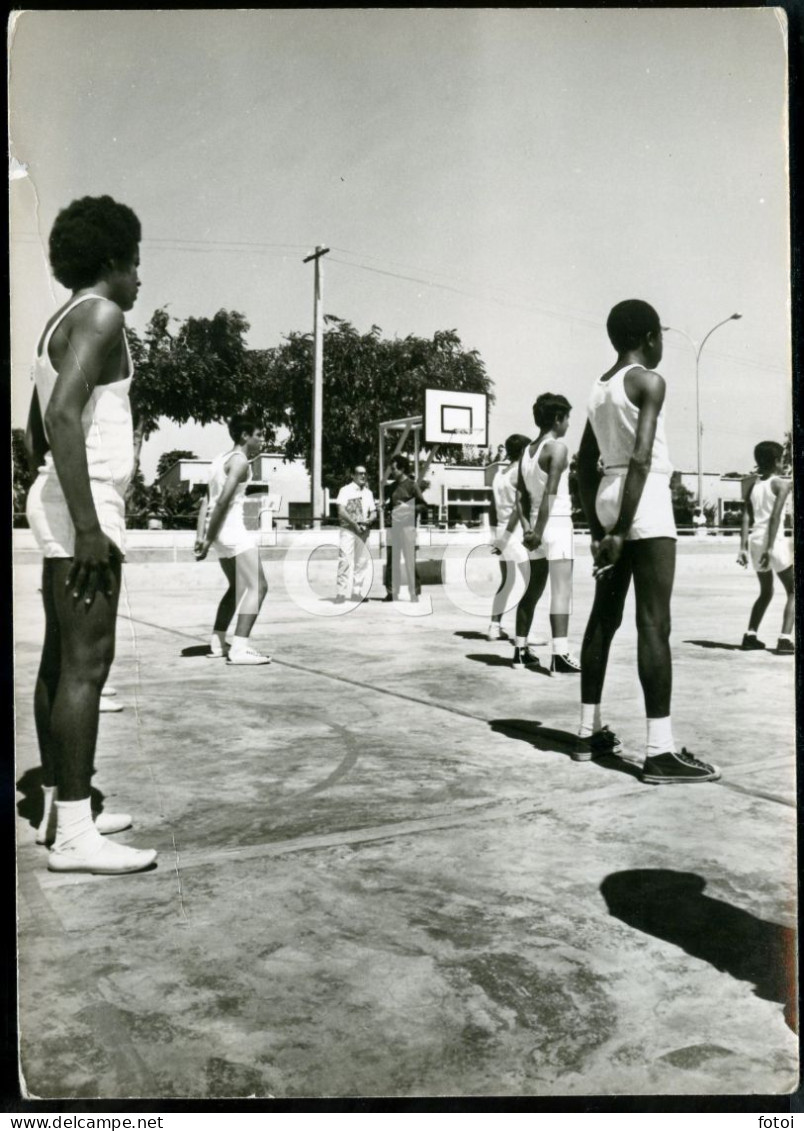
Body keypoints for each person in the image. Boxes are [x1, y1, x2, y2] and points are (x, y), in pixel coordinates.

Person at [24, 195, 157, 873]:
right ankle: (76, 834)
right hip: (87, 502)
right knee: (87, 664)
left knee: (60, 660)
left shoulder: (60, 319)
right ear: (111, 260)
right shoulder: (102, 315)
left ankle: (58, 802)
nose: (140, 278)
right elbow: (64, 416)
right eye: (136, 262)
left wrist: (54, 497)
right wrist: (87, 524)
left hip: (62, 492)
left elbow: (31, 429)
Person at [576, 299, 720, 783]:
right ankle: (659, 751)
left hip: (607, 495)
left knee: (605, 615)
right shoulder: (648, 381)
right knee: (654, 624)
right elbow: (641, 458)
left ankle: (586, 731)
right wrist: (620, 532)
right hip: (644, 499)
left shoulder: (597, 390)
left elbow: (582, 466)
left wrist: (601, 530)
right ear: (651, 337)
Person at [513, 395, 581, 675]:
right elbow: (551, 494)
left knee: (533, 588)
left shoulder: (526, 452)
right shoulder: (557, 449)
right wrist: (539, 531)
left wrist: (529, 529)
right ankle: (560, 656)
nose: (568, 423)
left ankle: (519, 651)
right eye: (567, 418)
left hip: (533, 529)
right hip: (556, 525)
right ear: (557, 418)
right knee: (561, 591)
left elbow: (520, 497)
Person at [195, 417, 270, 664]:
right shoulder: (240, 462)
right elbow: (222, 501)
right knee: (258, 586)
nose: (262, 438)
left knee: (237, 587)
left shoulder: (219, 460)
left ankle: (218, 642)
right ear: (244, 436)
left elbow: (206, 501)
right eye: (258, 434)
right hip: (231, 530)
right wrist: (207, 539)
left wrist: (203, 536)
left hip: (218, 534)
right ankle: (239, 648)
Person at [737, 441, 794, 653]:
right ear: (777, 461)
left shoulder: (752, 485)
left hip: (755, 540)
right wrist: (771, 548)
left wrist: (741, 548)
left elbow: (745, 517)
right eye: (782, 459)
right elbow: (776, 517)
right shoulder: (782, 485)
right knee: (793, 590)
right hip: (773, 541)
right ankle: (784, 639)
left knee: (766, 591)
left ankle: (750, 635)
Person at [487, 434, 531, 640]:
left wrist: (495, 535)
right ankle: (524, 635)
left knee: (507, 582)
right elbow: (518, 509)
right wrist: (506, 536)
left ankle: (494, 627)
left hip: (501, 533)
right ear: (523, 451)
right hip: (514, 534)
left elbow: (492, 509)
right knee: (532, 583)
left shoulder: (498, 475)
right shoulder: (519, 474)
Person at [383, 454, 427, 602]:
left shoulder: (412, 485)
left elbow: (423, 505)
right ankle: (392, 592)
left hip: (408, 529)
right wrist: (385, 506)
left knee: (410, 561)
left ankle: (414, 593)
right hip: (394, 528)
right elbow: (391, 505)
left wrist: (408, 507)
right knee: (392, 561)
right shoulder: (391, 487)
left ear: (402, 469)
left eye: (394, 469)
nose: (392, 472)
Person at [334, 464, 377, 604]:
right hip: (348, 530)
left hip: (363, 531)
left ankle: (356, 592)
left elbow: (374, 512)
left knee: (362, 562)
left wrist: (369, 521)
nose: (363, 476)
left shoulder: (368, 493)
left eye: (365, 473)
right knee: (345, 560)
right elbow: (341, 510)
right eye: (359, 473)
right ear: (353, 475)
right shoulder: (345, 490)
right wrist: (354, 524)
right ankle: (341, 593)